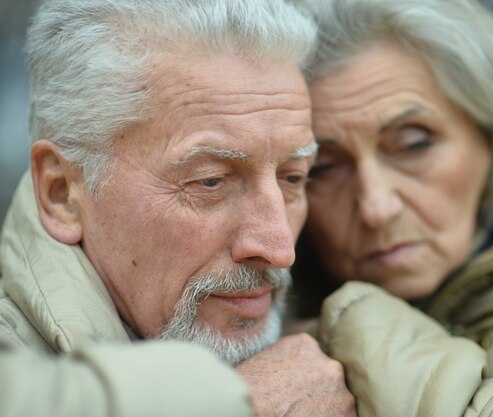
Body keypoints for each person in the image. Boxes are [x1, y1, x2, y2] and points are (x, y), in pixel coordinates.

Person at [0, 1, 356, 416]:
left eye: (292, 178)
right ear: (61, 193)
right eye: (210, 182)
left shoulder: (337, 335)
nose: (279, 249)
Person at [288, 0, 493, 416]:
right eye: (323, 168)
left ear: (492, 135)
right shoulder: (267, 278)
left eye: (413, 145)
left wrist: (353, 328)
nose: (376, 207)